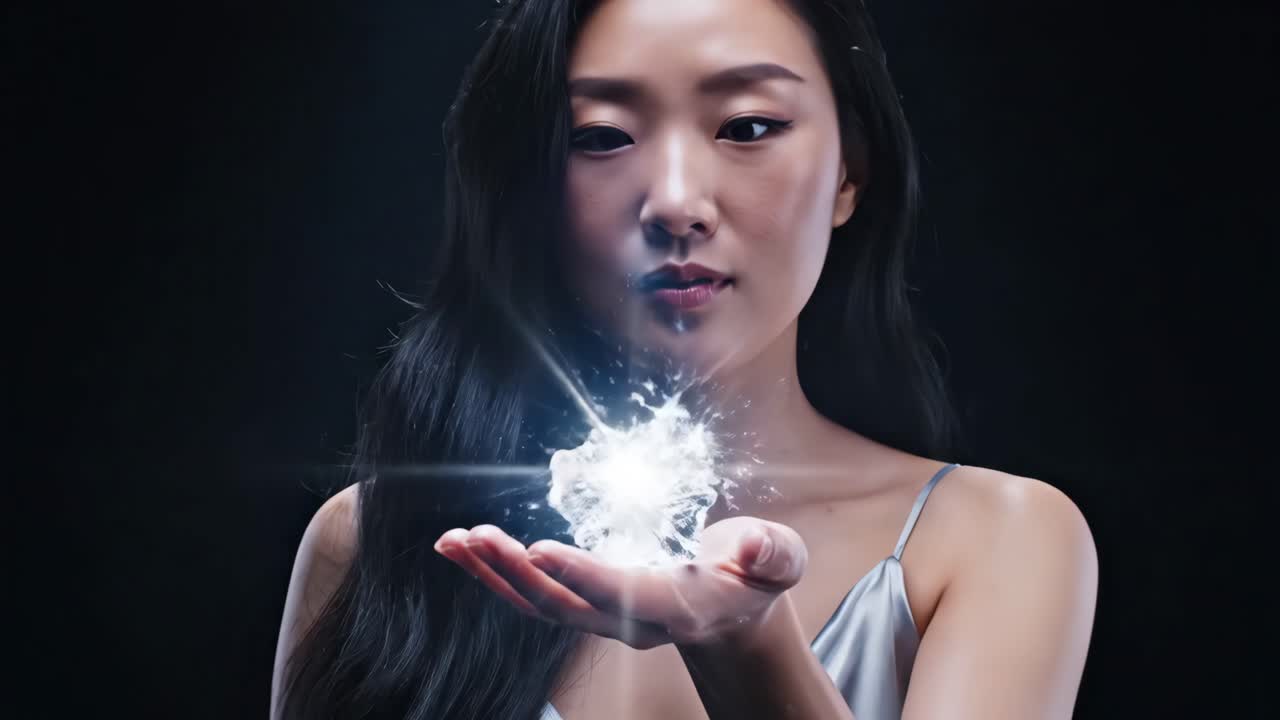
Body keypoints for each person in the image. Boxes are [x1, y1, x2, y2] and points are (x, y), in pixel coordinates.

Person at [271, 0, 1098, 718]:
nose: (673, 201)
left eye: (746, 127)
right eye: (598, 136)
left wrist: (745, 642)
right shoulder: (376, 538)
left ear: (850, 172)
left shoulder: (992, 539)